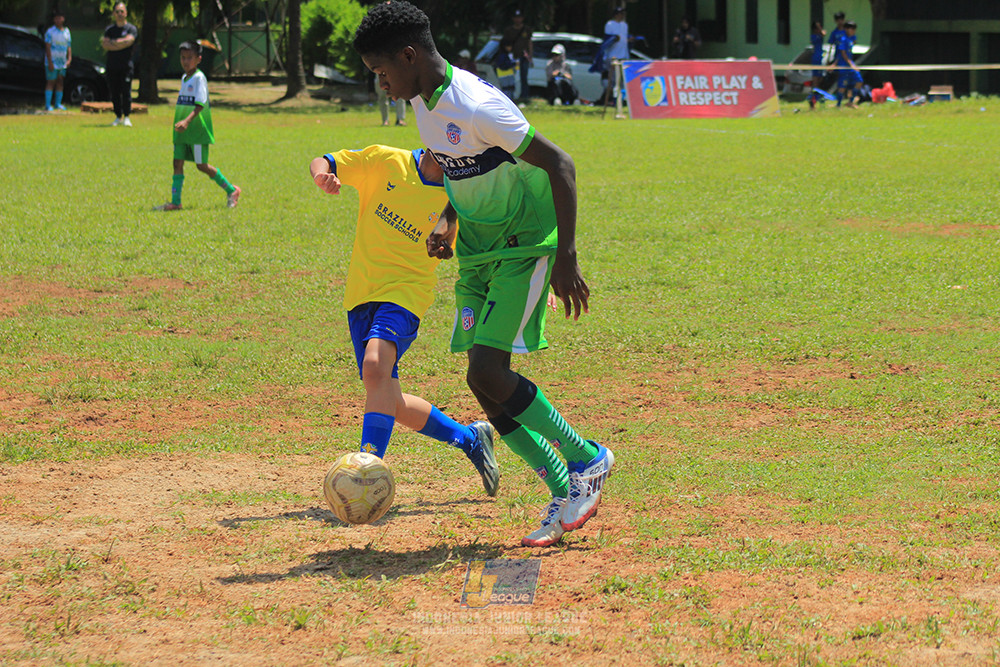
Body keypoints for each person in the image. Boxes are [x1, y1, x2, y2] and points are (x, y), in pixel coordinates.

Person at [353, 1, 614, 548]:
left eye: (382, 72)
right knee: (480, 381)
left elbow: (560, 164)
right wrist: (449, 221)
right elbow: (457, 169)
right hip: (477, 251)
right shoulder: (424, 103)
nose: (381, 84)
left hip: (523, 244)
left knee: (491, 373)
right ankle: (564, 488)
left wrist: (566, 256)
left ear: (408, 55)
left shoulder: (475, 104)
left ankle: (588, 457)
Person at [308, 145, 500, 496]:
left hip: (408, 293)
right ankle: (470, 438)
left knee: (375, 367)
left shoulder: (459, 195)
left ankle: (366, 475)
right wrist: (323, 175)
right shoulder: (386, 161)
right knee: (386, 396)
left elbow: (486, 241)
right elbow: (326, 159)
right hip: (361, 294)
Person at [154, 42, 240, 211]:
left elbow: (200, 104)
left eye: (189, 58)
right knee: (177, 163)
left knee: (201, 166)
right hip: (181, 131)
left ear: (198, 59)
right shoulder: (184, 78)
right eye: (183, 58)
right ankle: (175, 202)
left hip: (196, 131)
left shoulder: (199, 78)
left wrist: (187, 121)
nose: (185, 61)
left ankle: (231, 190)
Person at [101, 2, 137, 127]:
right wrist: (121, 43)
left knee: (126, 91)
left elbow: (130, 41)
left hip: (126, 66)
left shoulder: (131, 29)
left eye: (122, 11)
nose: (120, 14)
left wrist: (114, 43)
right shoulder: (109, 30)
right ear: (114, 14)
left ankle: (127, 116)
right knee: (114, 92)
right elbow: (105, 45)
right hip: (112, 66)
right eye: (117, 12)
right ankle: (118, 116)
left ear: (126, 13)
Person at [43, 8, 71, 112]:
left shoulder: (67, 32)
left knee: (60, 81)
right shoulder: (50, 32)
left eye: (60, 18)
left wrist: (69, 58)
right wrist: (50, 62)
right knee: (51, 81)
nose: (58, 20)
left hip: (62, 62)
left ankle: (58, 104)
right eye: (56, 18)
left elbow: (69, 46)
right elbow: (47, 47)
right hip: (52, 62)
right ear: (54, 20)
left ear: (63, 19)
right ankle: (47, 105)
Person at [502, 10, 532, 102]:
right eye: (516, 17)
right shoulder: (509, 30)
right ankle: (512, 96)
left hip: (524, 57)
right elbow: (505, 43)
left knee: (524, 77)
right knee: (512, 77)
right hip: (513, 57)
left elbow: (530, 42)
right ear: (513, 19)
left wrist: (530, 55)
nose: (518, 19)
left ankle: (524, 96)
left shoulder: (526, 29)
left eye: (520, 17)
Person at [834, 21, 864, 108]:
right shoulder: (843, 40)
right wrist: (851, 64)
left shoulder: (851, 38)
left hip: (850, 65)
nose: (854, 31)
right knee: (842, 86)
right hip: (844, 66)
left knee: (859, 81)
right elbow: (843, 54)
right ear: (847, 29)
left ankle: (851, 101)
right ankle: (838, 104)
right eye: (852, 29)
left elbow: (854, 42)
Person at [808, 20, 825, 109]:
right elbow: (822, 34)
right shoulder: (814, 37)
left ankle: (816, 96)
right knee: (815, 80)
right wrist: (820, 29)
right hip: (816, 59)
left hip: (820, 59)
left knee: (820, 78)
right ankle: (812, 99)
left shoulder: (819, 36)